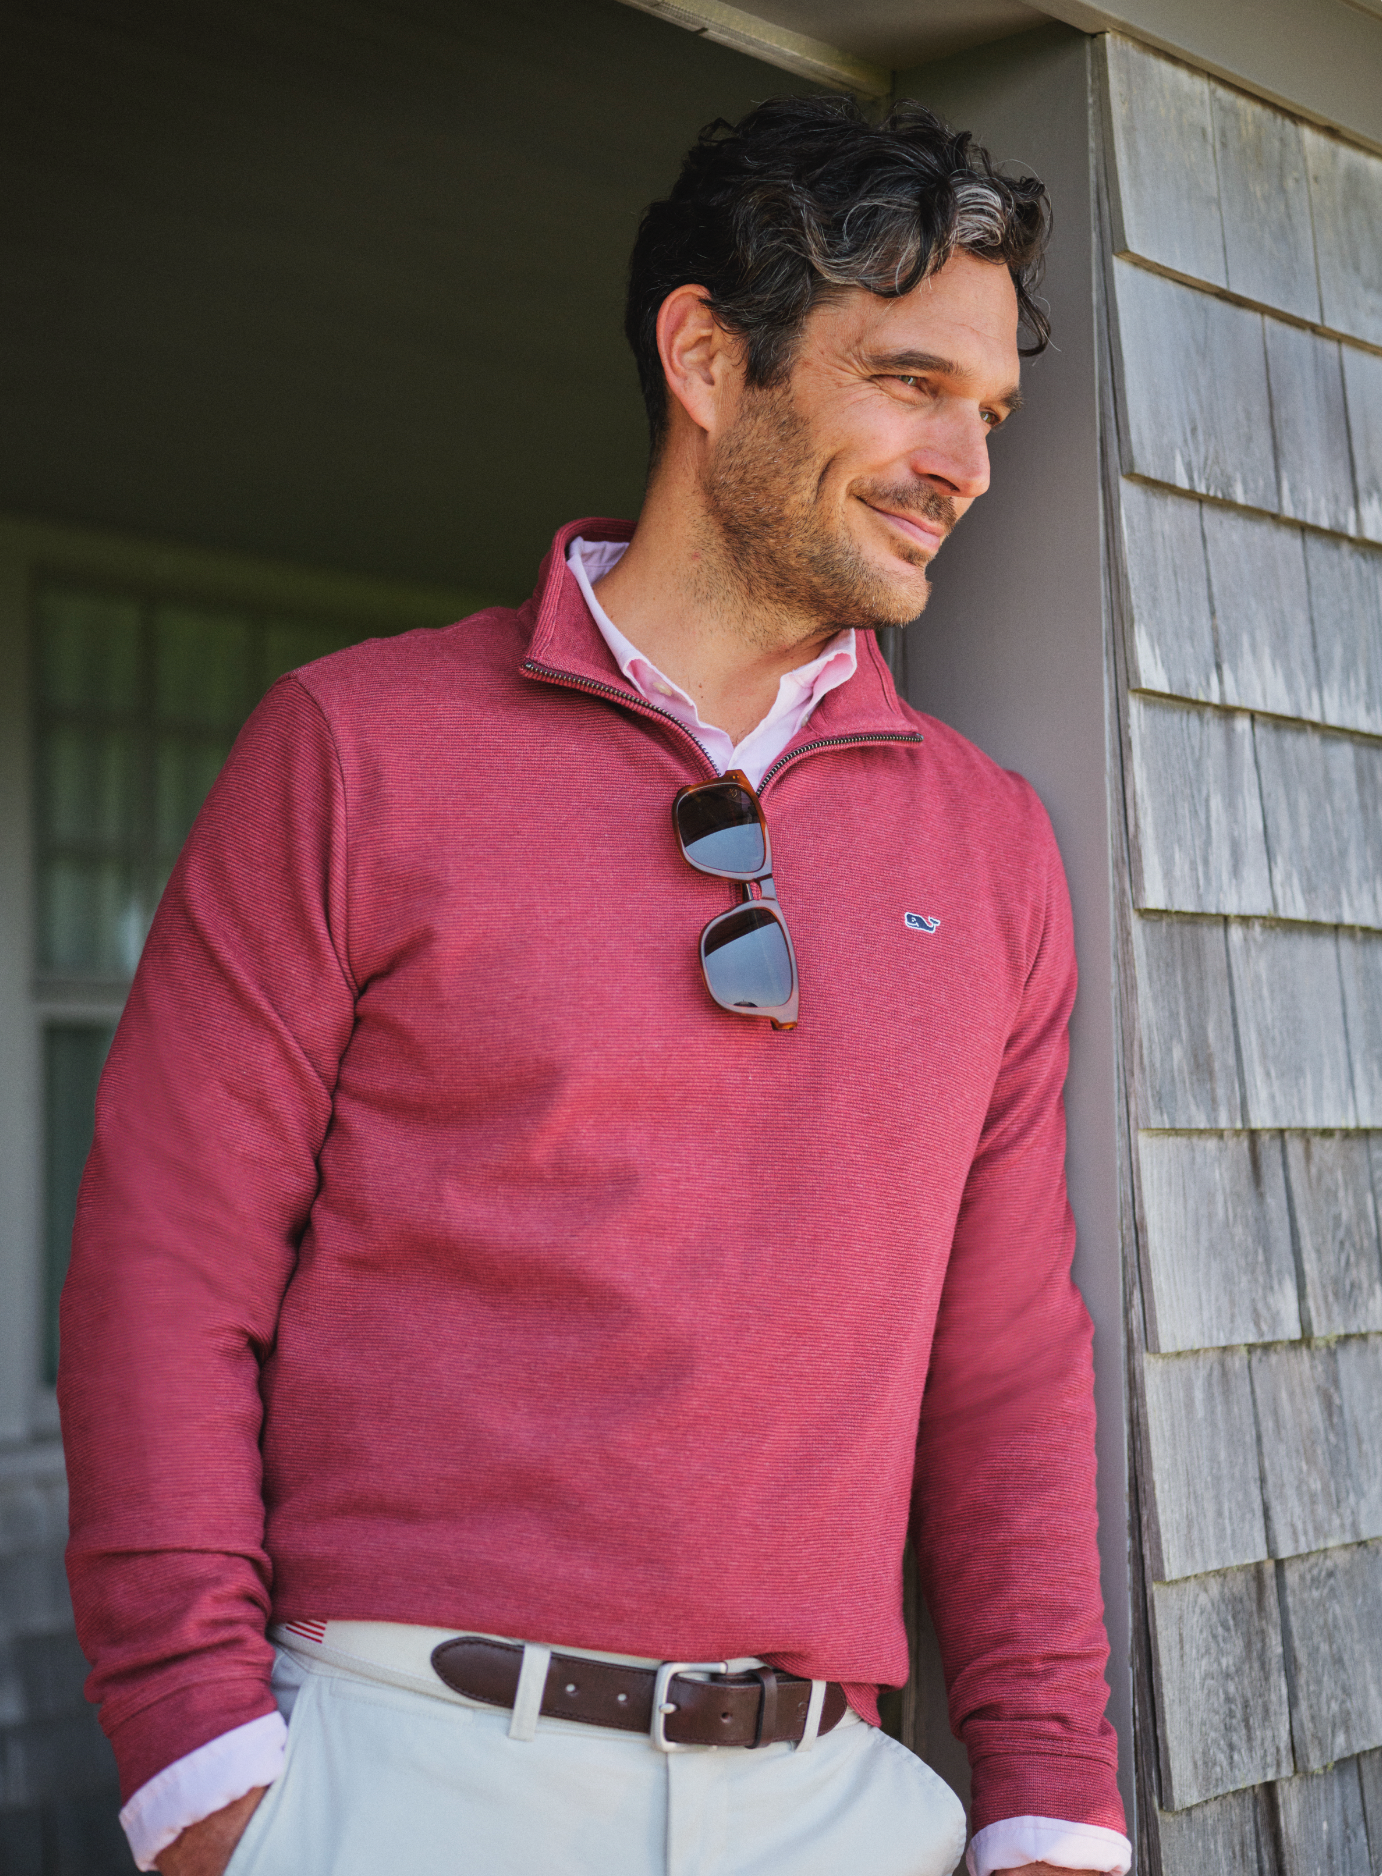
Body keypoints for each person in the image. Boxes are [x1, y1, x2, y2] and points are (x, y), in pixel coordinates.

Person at [59, 96, 1133, 1876]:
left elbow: (1005, 1357)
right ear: (706, 357)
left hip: (826, 1803)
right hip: (403, 1776)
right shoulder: (356, 749)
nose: (965, 463)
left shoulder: (990, 844)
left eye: (989, 411)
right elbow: (168, 1266)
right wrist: (200, 1768)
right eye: (908, 383)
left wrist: (1049, 1803)